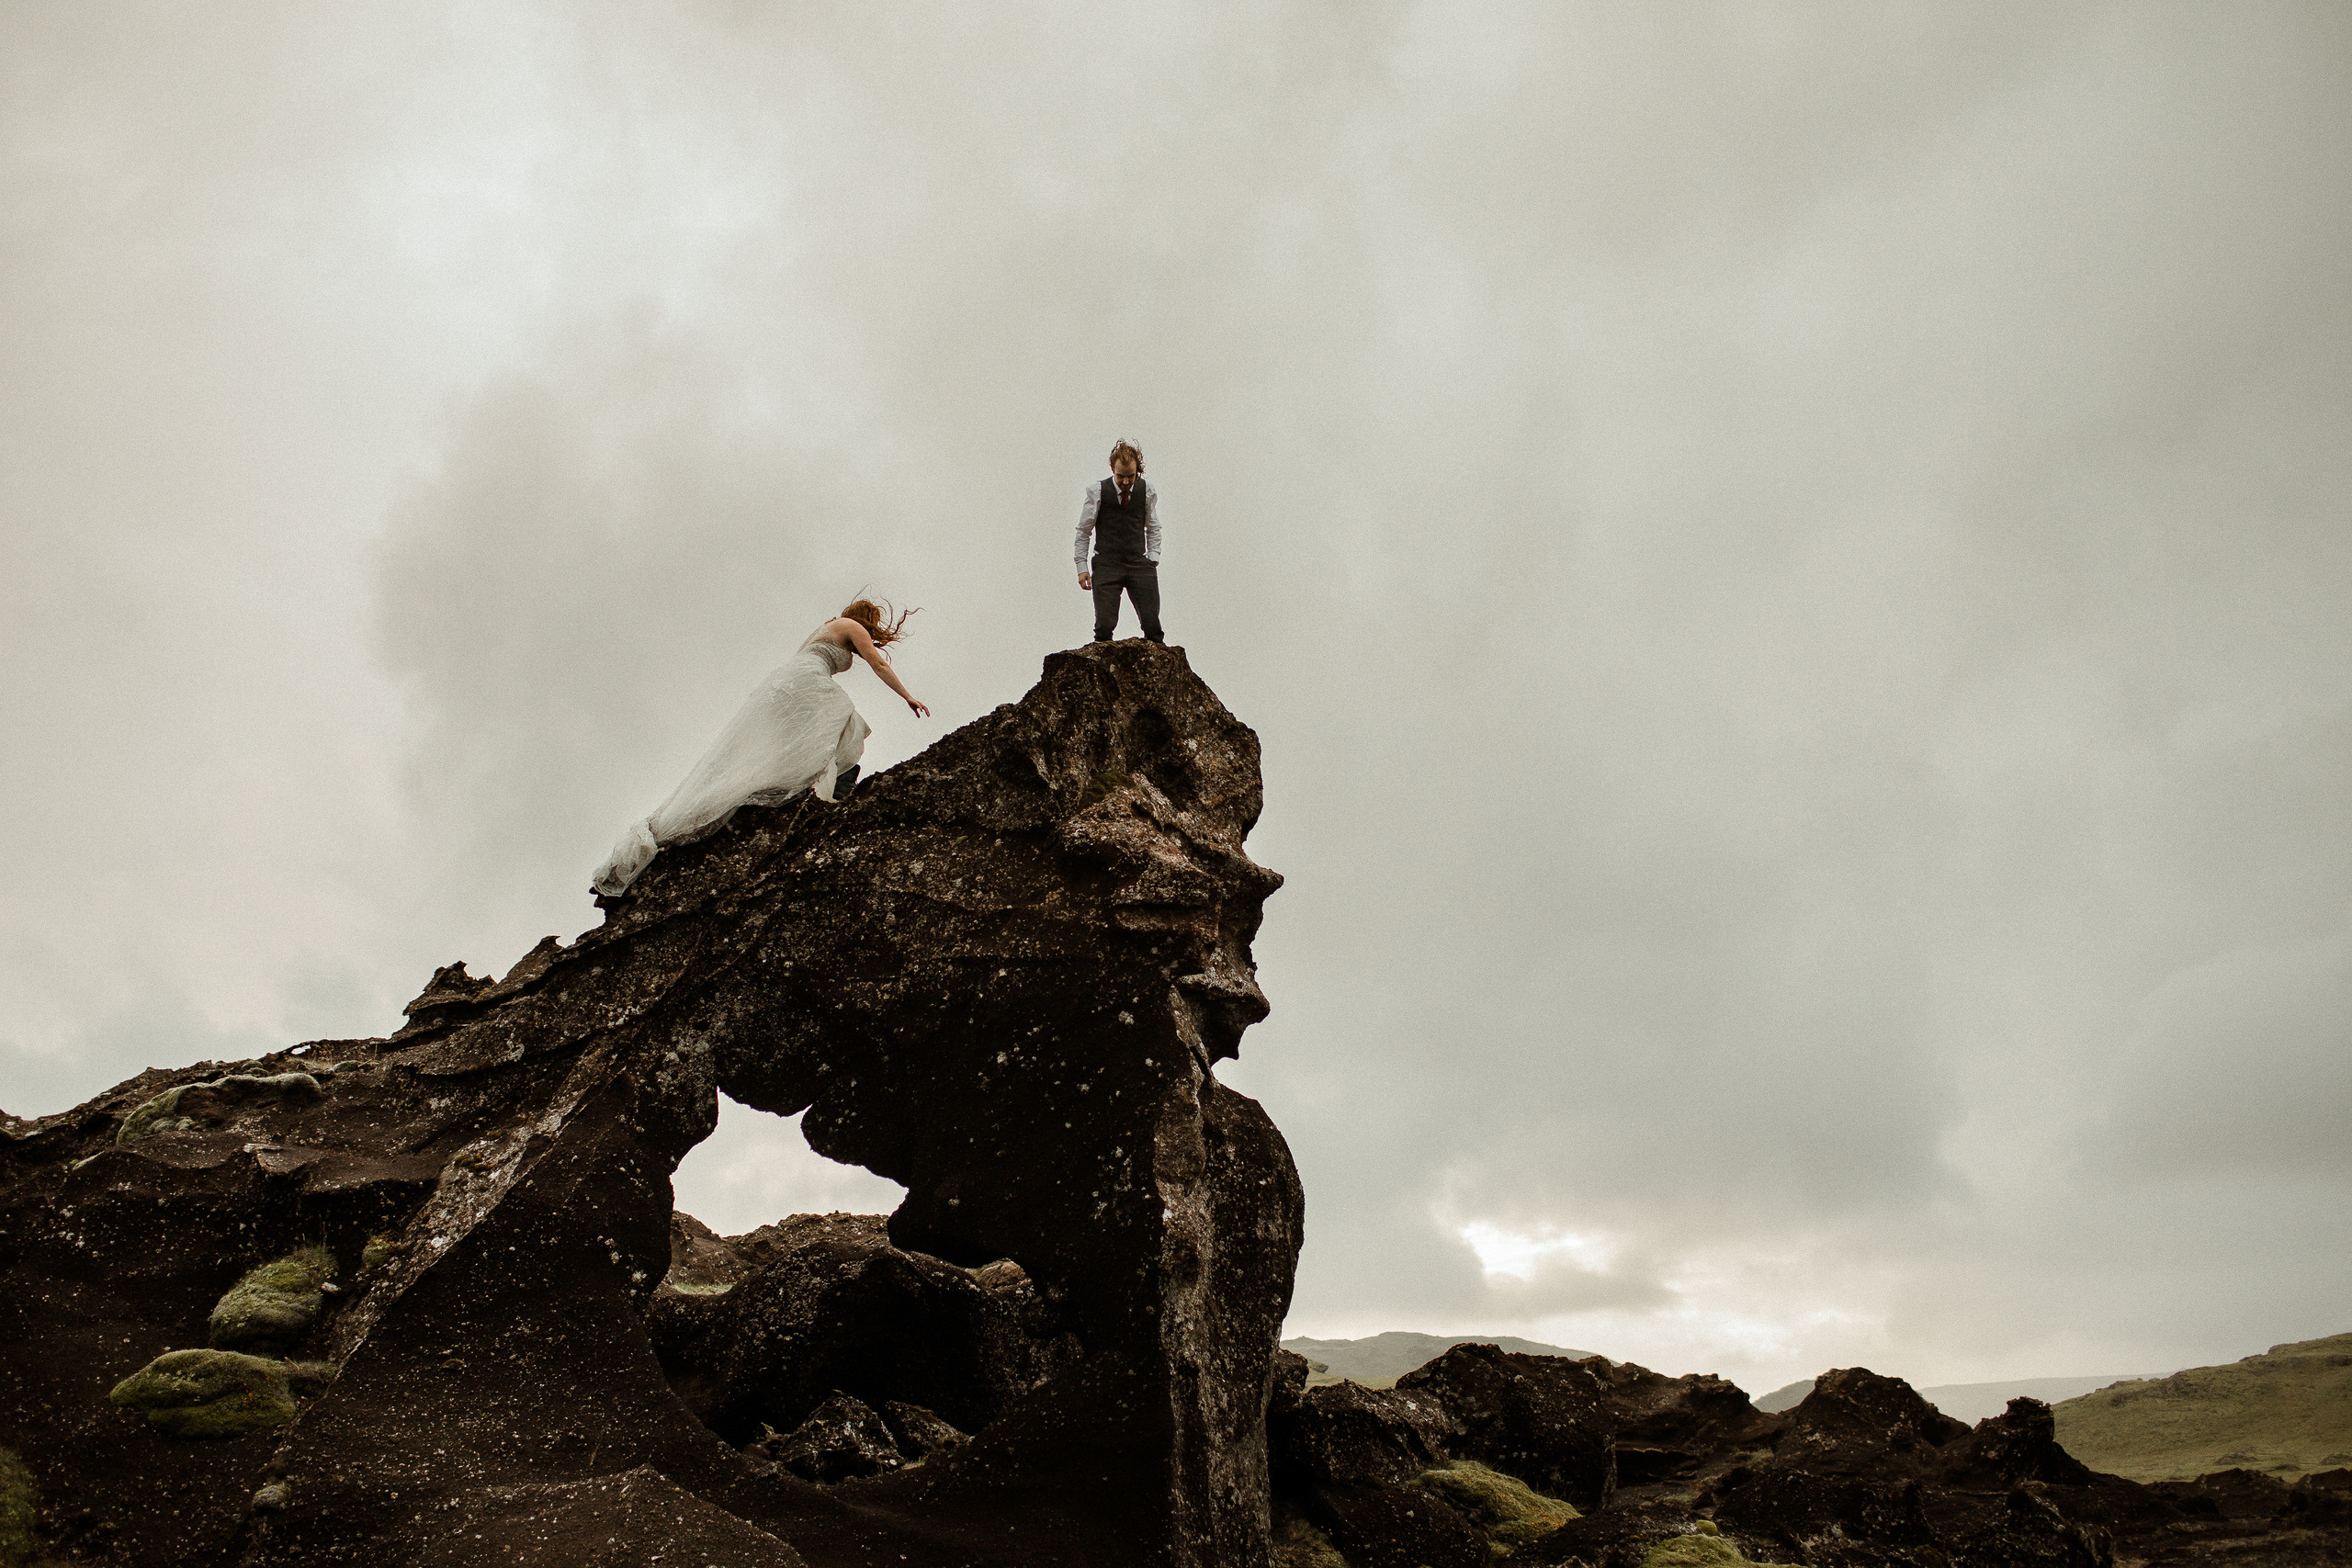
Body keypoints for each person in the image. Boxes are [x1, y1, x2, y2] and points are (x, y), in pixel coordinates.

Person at [590, 600, 928, 898]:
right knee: (849, 722)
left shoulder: (827, 627)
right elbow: (879, 664)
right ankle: (837, 788)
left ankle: (819, 784)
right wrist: (907, 696)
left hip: (785, 683)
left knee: (831, 730)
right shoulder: (851, 626)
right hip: (805, 680)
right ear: (866, 619)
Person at [1075, 438, 1162, 643]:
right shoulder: (1097, 491)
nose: (1125, 481)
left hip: (1138, 563)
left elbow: (1153, 526)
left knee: (1152, 624)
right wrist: (1082, 567)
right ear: (1112, 469)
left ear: (1138, 471)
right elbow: (1083, 531)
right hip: (1106, 563)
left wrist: (1153, 558)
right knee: (1104, 625)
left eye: (1131, 476)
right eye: (1120, 476)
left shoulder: (1147, 491)